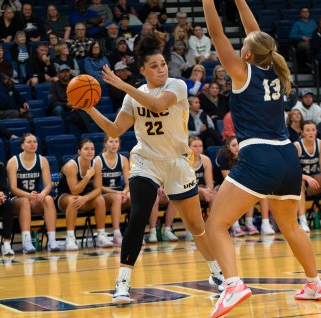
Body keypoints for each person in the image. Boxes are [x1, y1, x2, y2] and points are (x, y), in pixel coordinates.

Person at [195, 0, 321, 316]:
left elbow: (216, 33)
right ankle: (314, 282)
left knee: (216, 224)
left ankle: (234, 285)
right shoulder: (274, 68)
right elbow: (258, 37)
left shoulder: (241, 71)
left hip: (259, 156)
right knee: (290, 225)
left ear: (248, 55)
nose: (240, 48)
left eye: (244, 48)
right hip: (287, 156)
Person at [81, 28, 226, 303]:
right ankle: (122, 282)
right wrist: (88, 107)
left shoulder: (177, 86)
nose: (161, 70)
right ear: (143, 70)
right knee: (137, 218)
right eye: (154, 67)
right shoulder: (133, 96)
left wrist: (123, 85)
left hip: (177, 163)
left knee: (196, 225)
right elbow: (114, 129)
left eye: (162, 65)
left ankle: (216, 271)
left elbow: (159, 106)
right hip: (146, 161)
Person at [56, 139, 113, 250]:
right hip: (63, 197)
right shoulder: (71, 166)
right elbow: (74, 191)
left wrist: (85, 198)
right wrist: (87, 176)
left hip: (82, 197)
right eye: (86, 149)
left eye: (92, 149)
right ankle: (70, 237)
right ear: (79, 151)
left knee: (100, 199)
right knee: (73, 199)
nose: (90, 151)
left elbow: (98, 189)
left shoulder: (96, 164)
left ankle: (101, 235)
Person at [7, 133, 60, 253]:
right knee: (25, 201)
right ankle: (27, 241)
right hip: (17, 199)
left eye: (35, 142)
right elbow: (13, 188)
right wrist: (28, 195)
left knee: (48, 199)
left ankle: (52, 240)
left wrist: (42, 194)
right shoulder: (13, 161)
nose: (32, 144)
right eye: (29, 142)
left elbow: (48, 185)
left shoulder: (42, 160)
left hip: (34, 199)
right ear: (22, 145)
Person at [95, 135, 130, 247]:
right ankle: (116, 234)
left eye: (116, 141)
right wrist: (117, 193)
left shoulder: (123, 159)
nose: (114, 144)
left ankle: (135, 232)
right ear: (105, 144)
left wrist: (125, 192)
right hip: (104, 196)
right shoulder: (98, 160)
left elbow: (128, 183)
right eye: (111, 141)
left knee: (135, 196)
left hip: (119, 195)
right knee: (116, 197)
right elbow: (98, 186)